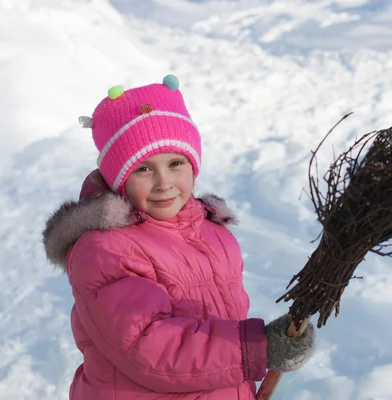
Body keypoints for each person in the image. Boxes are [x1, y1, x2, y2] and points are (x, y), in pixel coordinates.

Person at [42, 75, 315, 399]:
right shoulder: (105, 248)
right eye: (143, 169)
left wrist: (272, 344)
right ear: (119, 179)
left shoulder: (215, 237)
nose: (164, 182)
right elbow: (148, 346)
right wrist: (255, 347)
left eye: (175, 163)